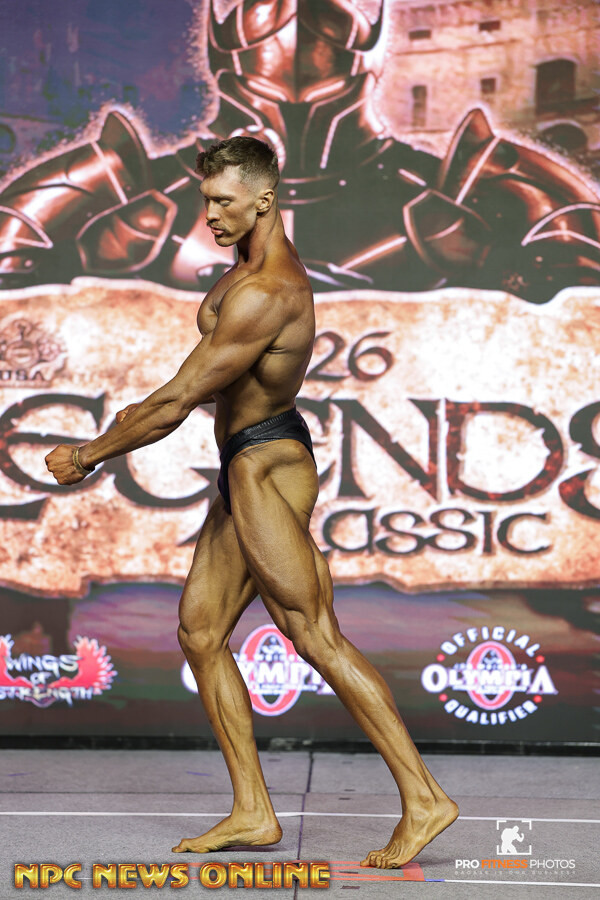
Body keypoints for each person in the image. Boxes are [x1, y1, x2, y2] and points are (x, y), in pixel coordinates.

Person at [45, 135, 458, 869]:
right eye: (206, 200)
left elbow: (175, 401)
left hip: (266, 463)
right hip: (243, 459)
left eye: (223, 201)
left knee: (313, 632)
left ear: (264, 200)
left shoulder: (268, 291)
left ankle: (425, 798)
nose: (209, 214)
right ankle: (253, 811)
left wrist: (88, 454)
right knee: (201, 632)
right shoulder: (243, 268)